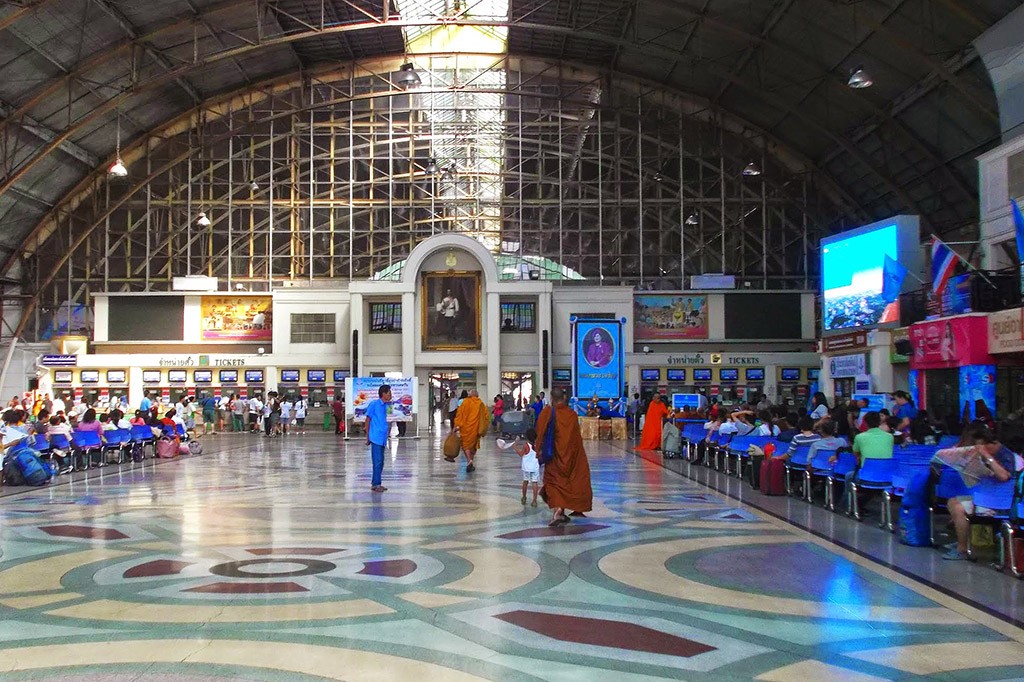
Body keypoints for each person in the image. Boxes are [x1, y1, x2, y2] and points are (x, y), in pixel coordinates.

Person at [940, 424, 1016, 560]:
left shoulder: (1004, 454)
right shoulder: (985, 453)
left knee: (957, 507)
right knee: (952, 501)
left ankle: (962, 549)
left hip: (999, 503)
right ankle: (962, 542)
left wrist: (986, 455)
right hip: (986, 498)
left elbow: (1004, 476)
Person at [534, 388, 593, 526]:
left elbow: (540, 432)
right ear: (565, 399)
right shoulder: (572, 415)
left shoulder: (547, 412)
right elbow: (576, 439)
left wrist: (538, 451)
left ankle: (558, 509)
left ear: (552, 399)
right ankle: (561, 511)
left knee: (554, 483)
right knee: (568, 483)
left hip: (554, 456)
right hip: (570, 457)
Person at [841, 411, 894, 512]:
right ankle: (858, 504)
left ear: (865, 423)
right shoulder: (890, 437)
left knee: (849, 476)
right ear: (879, 422)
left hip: (867, 476)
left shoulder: (860, 437)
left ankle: (849, 505)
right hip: (887, 476)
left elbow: (856, 453)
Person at [498, 430, 540, 507]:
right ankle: (534, 500)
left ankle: (524, 497)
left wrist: (515, 447)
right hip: (535, 467)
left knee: (525, 482)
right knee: (535, 483)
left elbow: (521, 454)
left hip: (526, 468)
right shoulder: (538, 445)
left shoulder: (526, 446)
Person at [452, 389, 489, 473]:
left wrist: (456, 426)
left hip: (465, 428)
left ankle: (469, 460)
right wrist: (484, 427)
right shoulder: (480, 404)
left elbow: (459, 415)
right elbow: (486, 417)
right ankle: (470, 461)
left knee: (466, 446)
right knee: (473, 446)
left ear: (470, 395)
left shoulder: (465, 403)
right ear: (477, 395)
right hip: (476, 429)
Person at [365, 384, 391, 492]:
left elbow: (388, 419)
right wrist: (367, 436)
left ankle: (375, 482)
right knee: (377, 461)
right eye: (389, 393)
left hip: (383, 438)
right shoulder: (374, 404)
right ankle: (376, 484)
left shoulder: (388, 406)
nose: (391, 395)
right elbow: (367, 420)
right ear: (383, 394)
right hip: (375, 437)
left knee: (381, 462)